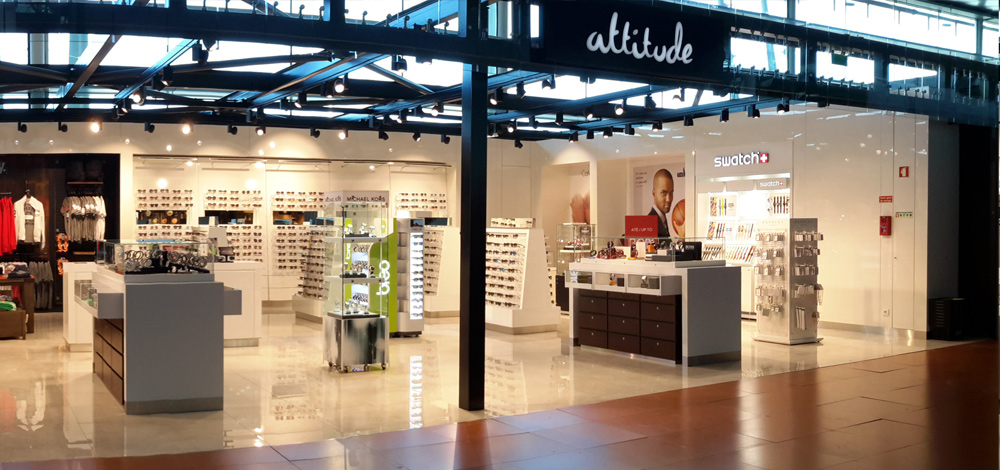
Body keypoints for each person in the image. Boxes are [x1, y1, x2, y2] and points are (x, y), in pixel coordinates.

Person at [647, 169, 674, 239]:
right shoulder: (650, 223)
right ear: (654, 194)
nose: (669, 199)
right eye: (664, 193)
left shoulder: (662, 219)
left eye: (671, 193)